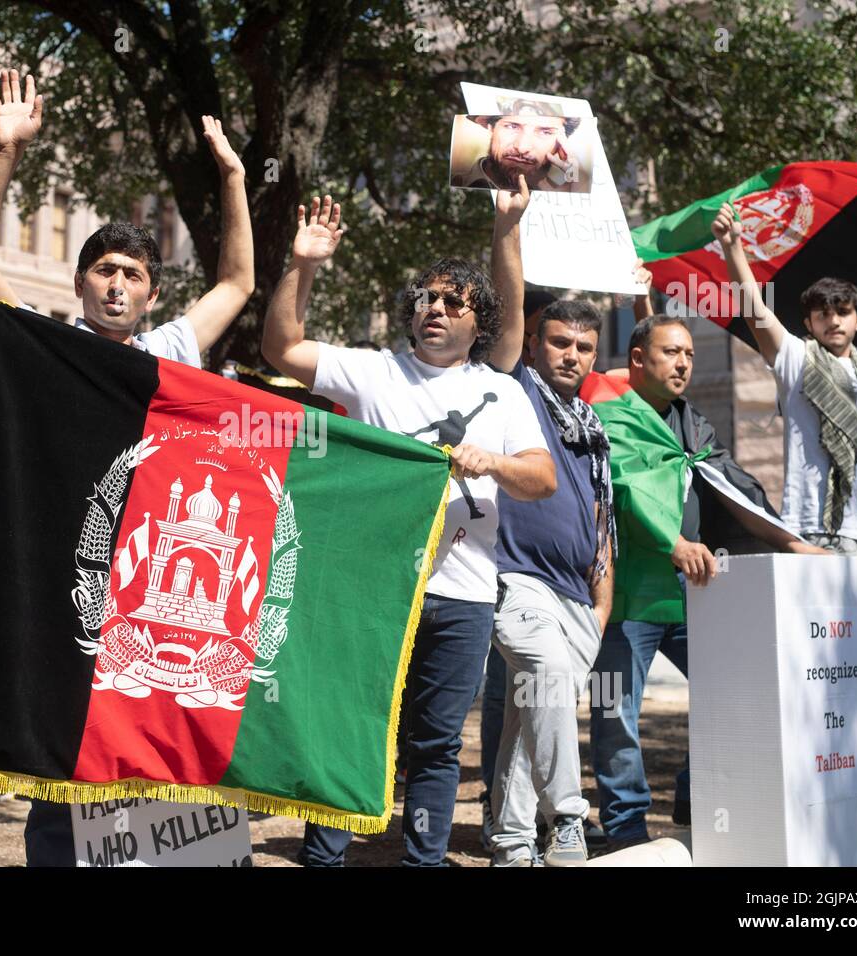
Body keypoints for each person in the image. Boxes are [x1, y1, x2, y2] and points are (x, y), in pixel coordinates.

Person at [0, 69, 254, 865]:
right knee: (63, 756)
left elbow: (239, 282)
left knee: (154, 755)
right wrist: (7, 151)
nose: (117, 285)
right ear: (82, 283)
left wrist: (232, 177)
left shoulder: (171, 352)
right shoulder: (46, 344)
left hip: (154, 594)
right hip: (66, 582)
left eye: (134, 275)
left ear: (151, 295)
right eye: (104, 270)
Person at [261, 194, 557, 866]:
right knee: (352, 726)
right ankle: (324, 856)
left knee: (436, 742)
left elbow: (543, 479)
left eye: (454, 303)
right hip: (372, 591)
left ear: (478, 322)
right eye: (425, 298)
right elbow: (279, 345)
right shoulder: (371, 371)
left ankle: (421, 860)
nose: (436, 309)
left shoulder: (503, 392)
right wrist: (303, 267)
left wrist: (494, 462)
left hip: (465, 595)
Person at [588, 314, 826, 850]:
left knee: (733, 692)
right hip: (630, 596)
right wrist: (672, 544)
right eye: (671, 352)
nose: (683, 363)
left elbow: (730, 484)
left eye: (690, 354)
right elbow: (622, 487)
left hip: (695, 595)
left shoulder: (692, 422)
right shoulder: (609, 416)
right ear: (638, 359)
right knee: (616, 713)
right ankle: (625, 829)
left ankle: (699, 799)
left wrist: (787, 541)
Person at [477, 179, 612, 866]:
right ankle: (569, 817)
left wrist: (600, 605)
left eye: (584, 348)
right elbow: (506, 311)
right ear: (534, 345)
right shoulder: (512, 387)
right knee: (549, 684)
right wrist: (509, 229)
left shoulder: (592, 426)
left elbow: (600, 523)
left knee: (532, 719)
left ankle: (509, 843)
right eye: (558, 342)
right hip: (517, 583)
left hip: (576, 599)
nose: (571, 355)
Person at [711, 202, 857, 624]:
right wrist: (733, 248)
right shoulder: (795, 360)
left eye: (842, 312)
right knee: (820, 651)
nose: (833, 321)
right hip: (817, 530)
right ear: (808, 323)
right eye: (823, 314)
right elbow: (754, 310)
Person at [455, 103, 581, 191]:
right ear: (491, 128)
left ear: (560, 144)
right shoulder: (457, 186)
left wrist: (567, 203)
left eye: (545, 132)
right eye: (512, 126)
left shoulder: (560, 195)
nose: (522, 147)